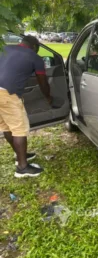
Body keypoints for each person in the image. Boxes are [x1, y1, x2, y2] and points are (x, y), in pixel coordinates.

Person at [0, 36, 52, 178]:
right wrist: (48, 96)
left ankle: (20, 156)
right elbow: (42, 82)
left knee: (6, 126)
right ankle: (22, 168)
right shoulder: (35, 57)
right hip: (7, 94)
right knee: (19, 129)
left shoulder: (5, 48)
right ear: (35, 46)